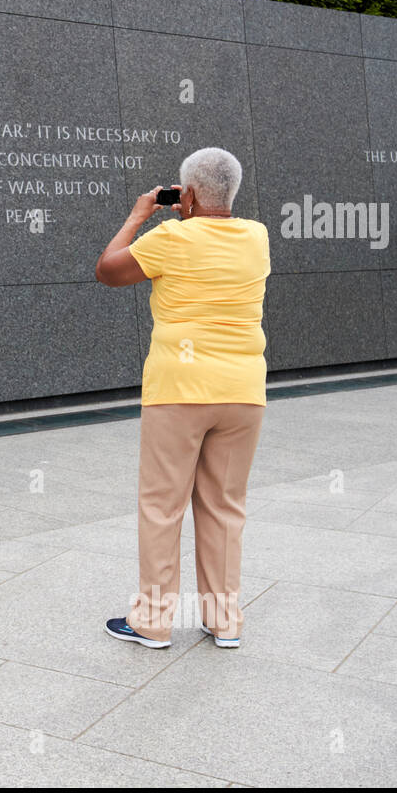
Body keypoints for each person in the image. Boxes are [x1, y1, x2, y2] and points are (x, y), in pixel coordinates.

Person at [93, 147, 270, 650]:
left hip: (179, 391)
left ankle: (152, 623)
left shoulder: (170, 236)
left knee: (162, 507)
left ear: (185, 193)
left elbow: (108, 270)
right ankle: (223, 622)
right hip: (242, 393)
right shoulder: (257, 237)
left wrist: (139, 214)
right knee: (223, 507)